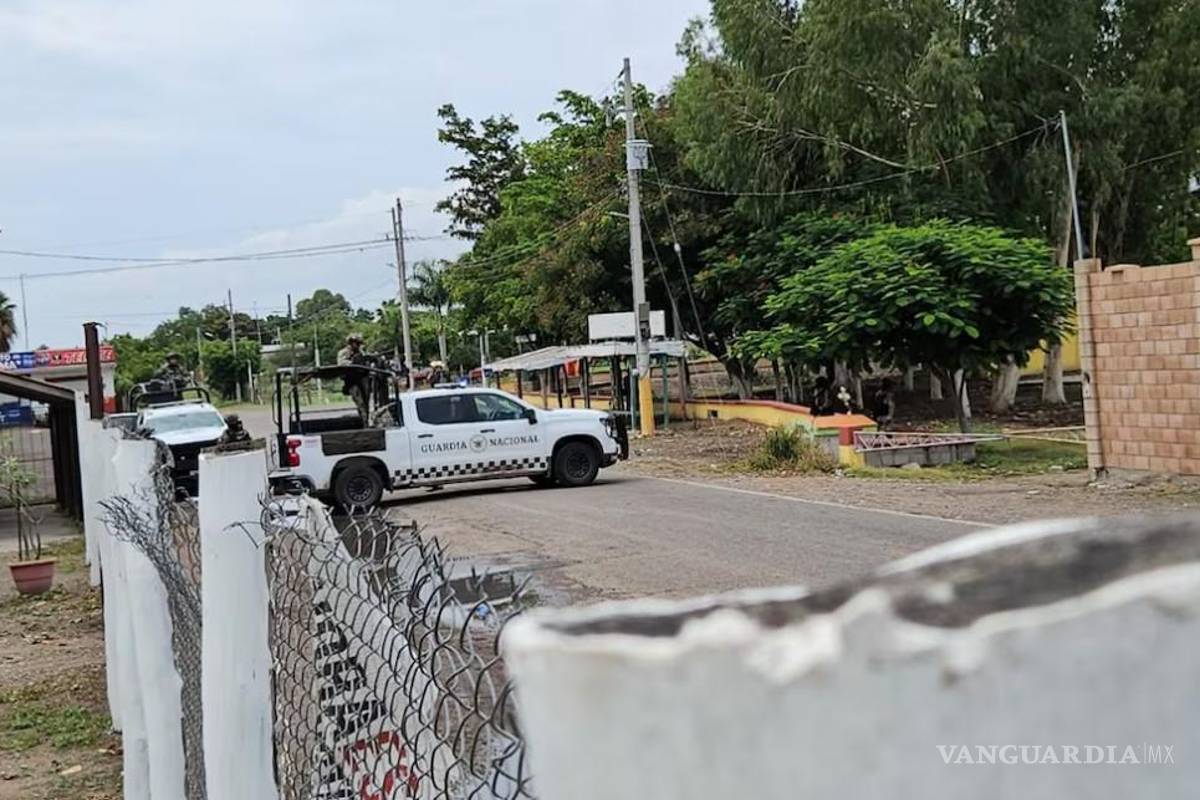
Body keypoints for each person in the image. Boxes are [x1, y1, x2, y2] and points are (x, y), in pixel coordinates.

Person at [337, 333, 371, 422]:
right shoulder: (343, 353)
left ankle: (366, 418)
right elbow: (341, 363)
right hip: (352, 380)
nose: (358, 345)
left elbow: (367, 361)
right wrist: (352, 362)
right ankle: (364, 419)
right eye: (356, 343)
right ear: (350, 343)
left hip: (363, 379)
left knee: (366, 401)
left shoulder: (362, 352)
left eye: (359, 343)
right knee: (360, 402)